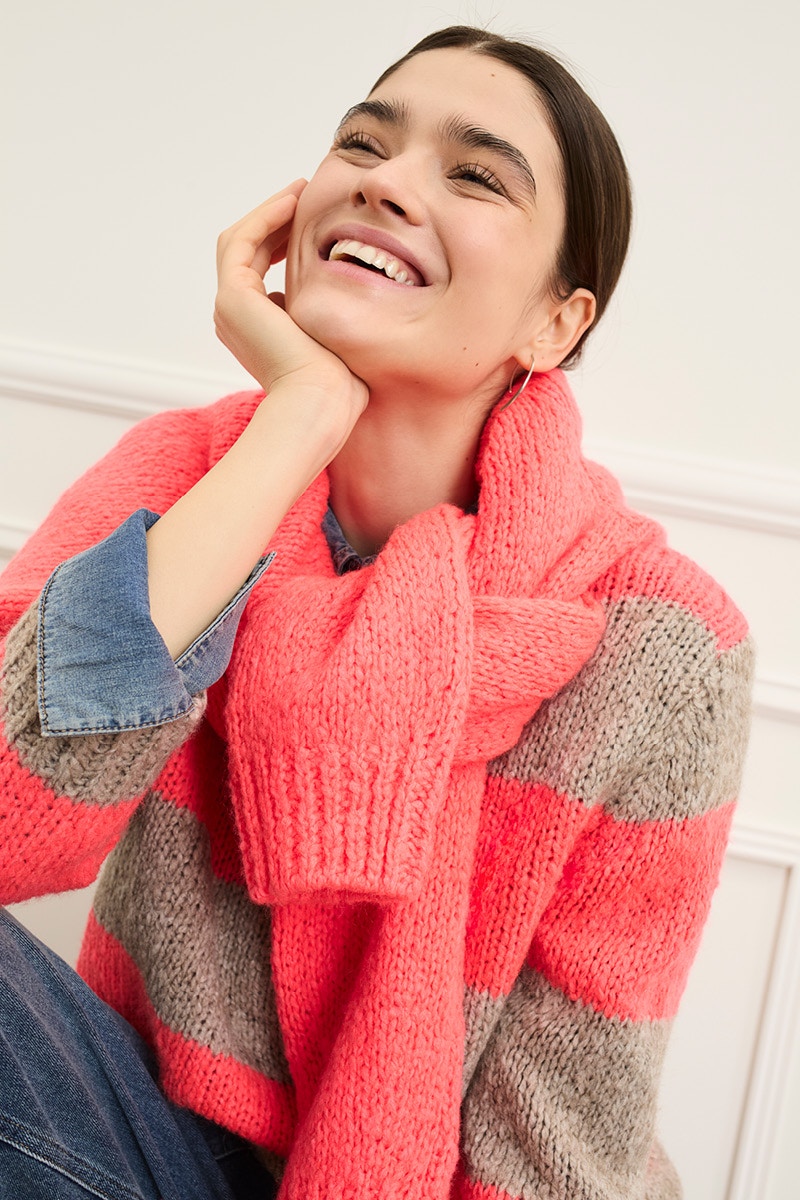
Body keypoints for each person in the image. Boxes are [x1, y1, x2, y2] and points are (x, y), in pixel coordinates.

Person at [0, 24, 753, 1200]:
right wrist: (290, 421)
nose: (386, 181)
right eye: (364, 141)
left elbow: (553, 1148)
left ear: (553, 325)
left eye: (472, 173)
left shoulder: (662, 647)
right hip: (136, 1141)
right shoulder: (189, 478)